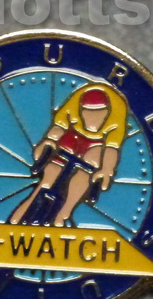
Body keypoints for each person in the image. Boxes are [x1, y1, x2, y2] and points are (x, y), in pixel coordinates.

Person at [10, 84, 127, 226]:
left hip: (96, 145)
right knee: (50, 175)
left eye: (98, 115)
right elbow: (59, 126)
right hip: (73, 137)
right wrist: (48, 141)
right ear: (81, 110)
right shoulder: (72, 106)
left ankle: (64, 213)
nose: (93, 120)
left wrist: (106, 170)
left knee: (88, 169)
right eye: (88, 114)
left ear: (106, 113)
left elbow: (111, 148)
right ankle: (22, 213)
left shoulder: (117, 119)